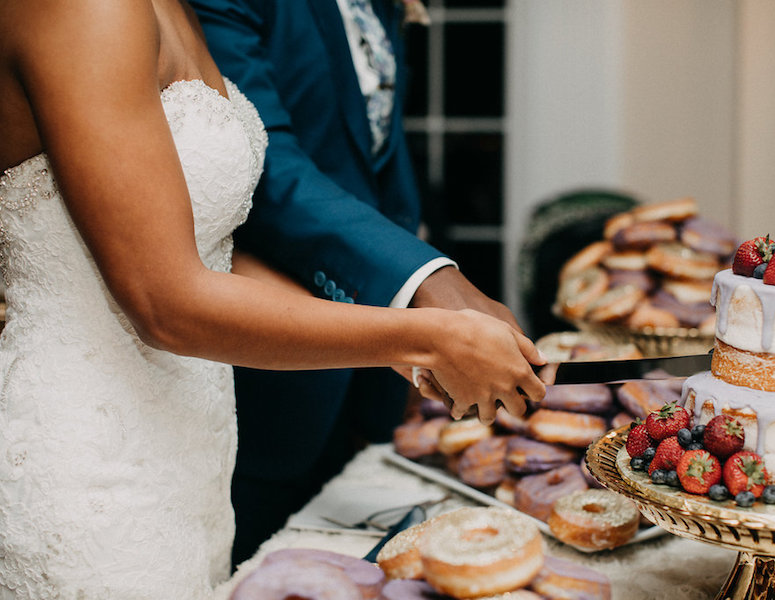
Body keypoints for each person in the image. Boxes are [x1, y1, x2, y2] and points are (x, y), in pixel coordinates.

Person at [0, 1, 545, 598]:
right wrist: (429, 336)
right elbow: (165, 303)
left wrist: (387, 339)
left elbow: (214, 249)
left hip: (189, 447)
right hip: (89, 461)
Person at [187, 0, 531, 567]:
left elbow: (372, 155)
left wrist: (405, 321)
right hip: (260, 388)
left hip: (370, 384)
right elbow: (269, 165)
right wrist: (427, 283)